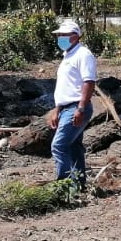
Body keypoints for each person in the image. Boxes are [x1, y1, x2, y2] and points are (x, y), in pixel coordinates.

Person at [46, 18, 97, 187]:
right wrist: (57, 110)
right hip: (66, 108)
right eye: (59, 35)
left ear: (75, 36)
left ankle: (63, 186)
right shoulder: (68, 55)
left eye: (63, 35)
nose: (60, 38)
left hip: (76, 107)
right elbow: (65, 87)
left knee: (58, 146)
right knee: (73, 146)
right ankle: (78, 184)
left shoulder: (83, 54)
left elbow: (89, 82)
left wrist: (81, 108)